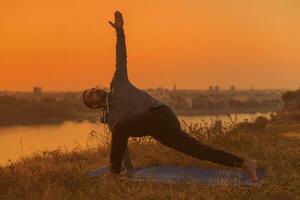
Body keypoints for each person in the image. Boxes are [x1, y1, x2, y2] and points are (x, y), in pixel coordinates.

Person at [83, 11, 258, 181]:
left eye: (92, 89)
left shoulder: (118, 83)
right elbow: (121, 146)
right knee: (199, 150)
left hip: (161, 114)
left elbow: (121, 58)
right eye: (90, 95)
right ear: (94, 106)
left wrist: (120, 32)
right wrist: (129, 171)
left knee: (120, 129)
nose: (93, 91)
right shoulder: (113, 119)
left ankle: (113, 173)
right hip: (160, 131)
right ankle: (244, 163)